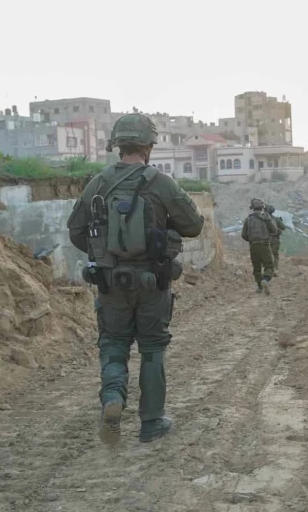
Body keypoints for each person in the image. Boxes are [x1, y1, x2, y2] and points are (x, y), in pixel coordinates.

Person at [67, 113, 205, 446]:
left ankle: (113, 399)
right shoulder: (160, 182)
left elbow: (76, 230)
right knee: (152, 348)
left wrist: (104, 254)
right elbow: (194, 225)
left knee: (113, 344)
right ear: (148, 147)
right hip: (152, 283)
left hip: (110, 282)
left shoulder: (99, 182)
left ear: (118, 145)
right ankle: (151, 422)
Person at [241, 198, 278, 294]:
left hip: (253, 246)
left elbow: (244, 235)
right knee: (269, 265)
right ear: (262, 207)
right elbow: (274, 231)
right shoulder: (266, 218)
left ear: (252, 208)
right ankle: (265, 279)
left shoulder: (248, 220)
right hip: (265, 245)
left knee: (256, 267)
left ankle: (259, 287)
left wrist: (251, 241)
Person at [267, 204, 286, 275]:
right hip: (275, 239)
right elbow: (283, 228)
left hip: (265, 240)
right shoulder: (276, 219)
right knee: (275, 255)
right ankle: (274, 269)